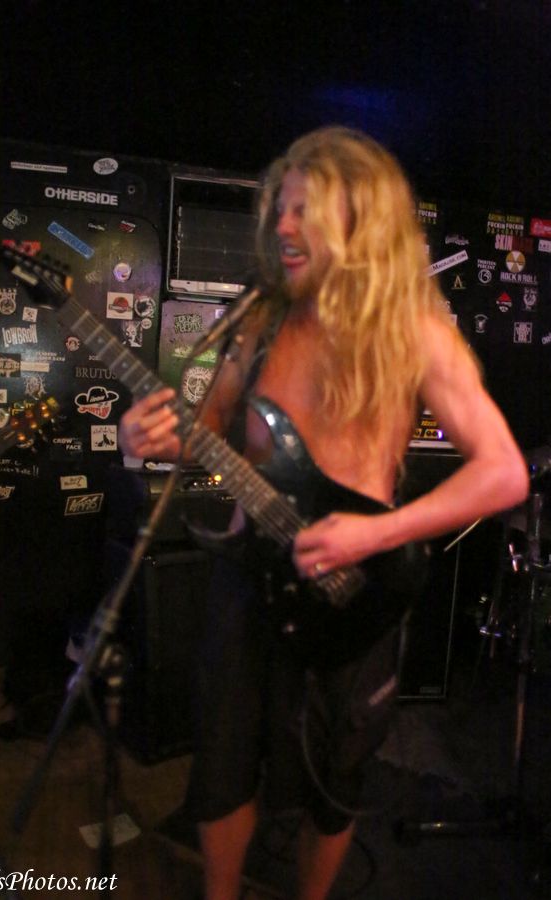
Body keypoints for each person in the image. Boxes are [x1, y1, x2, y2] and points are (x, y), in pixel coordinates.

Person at [118, 126, 529, 900]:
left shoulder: (413, 329)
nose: (281, 225)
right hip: (249, 574)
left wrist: (379, 530)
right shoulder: (260, 318)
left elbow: (504, 471)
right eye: (280, 208)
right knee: (222, 765)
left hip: (354, 588)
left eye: (304, 209)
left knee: (333, 779)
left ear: (360, 218)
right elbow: (208, 435)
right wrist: (155, 440)